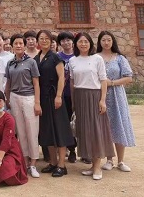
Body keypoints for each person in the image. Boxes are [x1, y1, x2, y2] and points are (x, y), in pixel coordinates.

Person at [69, 32, 115, 180]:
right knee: (85, 131)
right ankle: (91, 165)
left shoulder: (97, 59)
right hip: (80, 97)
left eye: (86, 41)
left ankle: (97, 167)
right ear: (76, 44)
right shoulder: (72, 60)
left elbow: (103, 80)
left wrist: (102, 100)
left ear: (90, 43)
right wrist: (73, 102)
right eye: (80, 41)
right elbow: (72, 82)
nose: (83, 44)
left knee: (96, 130)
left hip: (94, 96)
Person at [35, 30, 73, 177]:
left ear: (51, 41)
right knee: (47, 131)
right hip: (43, 98)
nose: (44, 41)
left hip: (54, 97)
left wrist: (59, 96)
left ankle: (62, 165)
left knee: (59, 130)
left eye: (47, 38)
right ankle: (53, 162)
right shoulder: (36, 58)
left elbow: (62, 78)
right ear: (38, 41)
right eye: (41, 38)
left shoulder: (56, 57)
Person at [96, 31, 136, 173]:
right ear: (99, 42)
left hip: (117, 96)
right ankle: (109, 160)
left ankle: (121, 161)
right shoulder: (95, 57)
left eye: (109, 40)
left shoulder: (120, 58)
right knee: (105, 128)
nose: (106, 43)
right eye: (103, 40)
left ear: (113, 41)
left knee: (119, 125)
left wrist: (112, 83)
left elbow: (128, 78)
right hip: (100, 96)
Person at [4, 34, 41, 178]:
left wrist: (37, 103)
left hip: (29, 98)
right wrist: (7, 99)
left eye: (21, 43)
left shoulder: (31, 62)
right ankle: (25, 161)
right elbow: (8, 83)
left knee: (32, 131)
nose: (18, 46)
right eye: (16, 43)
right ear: (12, 46)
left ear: (24, 45)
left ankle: (33, 163)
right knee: (20, 132)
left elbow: (36, 83)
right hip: (14, 98)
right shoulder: (10, 63)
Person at [0, 90, 28, 187]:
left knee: (6, 169)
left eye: (0, 101)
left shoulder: (9, 119)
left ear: (4, 102)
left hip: (10, 150)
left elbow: (6, 141)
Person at [57, 31, 78, 163]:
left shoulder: (78, 56)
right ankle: (70, 149)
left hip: (75, 94)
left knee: (76, 122)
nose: (66, 42)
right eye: (63, 40)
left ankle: (81, 150)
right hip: (61, 95)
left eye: (68, 40)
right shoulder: (57, 57)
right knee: (64, 124)